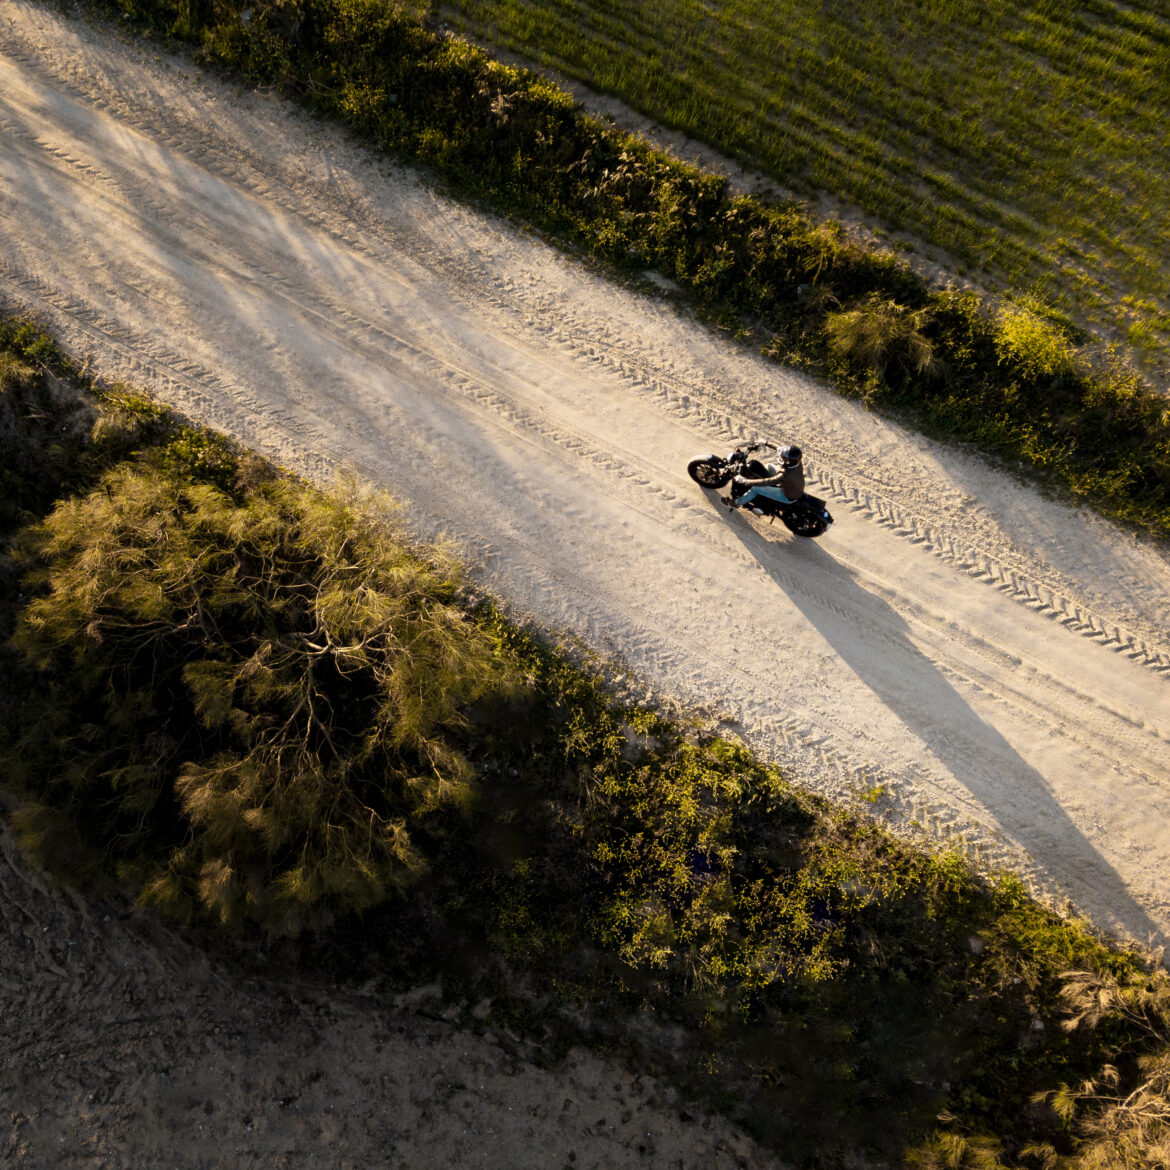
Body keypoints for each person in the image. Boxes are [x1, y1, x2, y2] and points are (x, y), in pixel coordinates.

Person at [721, 445, 805, 513]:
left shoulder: (785, 474)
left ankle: (735, 503)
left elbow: (766, 481)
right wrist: (765, 442)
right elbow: (779, 449)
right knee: (768, 466)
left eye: (784, 458)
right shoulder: (797, 462)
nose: (782, 458)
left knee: (755, 488)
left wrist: (745, 481)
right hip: (793, 485)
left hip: (787, 496)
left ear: (788, 462)